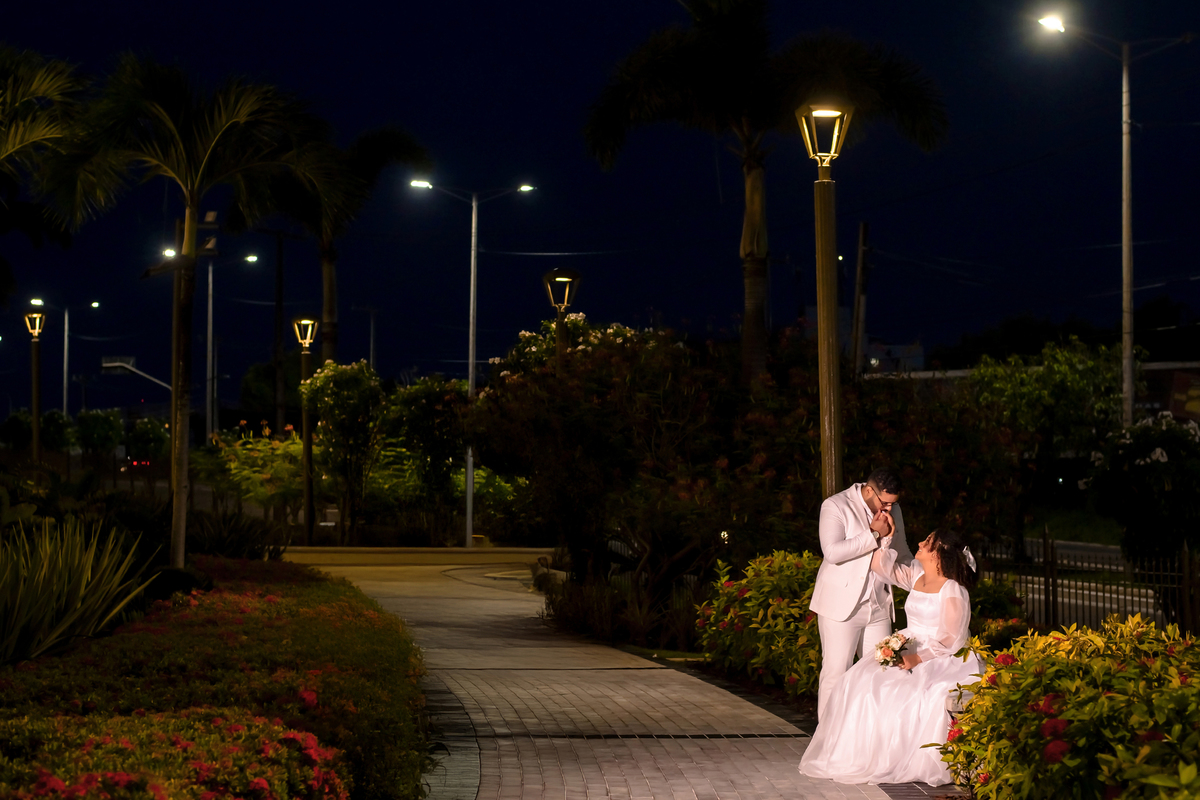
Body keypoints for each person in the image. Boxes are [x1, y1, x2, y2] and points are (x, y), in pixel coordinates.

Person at [799, 528, 982, 786]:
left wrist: (918, 659)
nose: (920, 543)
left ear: (940, 553)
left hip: (938, 656)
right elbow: (881, 566)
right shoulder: (917, 577)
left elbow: (953, 638)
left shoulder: (952, 589)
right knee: (857, 681)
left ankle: (895, 758)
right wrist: (884, 538)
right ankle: (860, 755)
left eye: (928, 542)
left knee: (909, 694)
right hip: (909, 645)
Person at [809, 468, 914, 721]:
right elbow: (832, 552)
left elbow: (902, 552)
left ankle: (870, 742)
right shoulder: (835, 505)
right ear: (869, 491)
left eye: (894, 503)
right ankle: (827, 742)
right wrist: (874, 534)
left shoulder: (894, 511)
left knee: (882, 673)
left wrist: (923, 579)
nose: (889, 508)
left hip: (878, 605)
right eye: (885, 502)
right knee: (836, 673)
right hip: (841, 607)